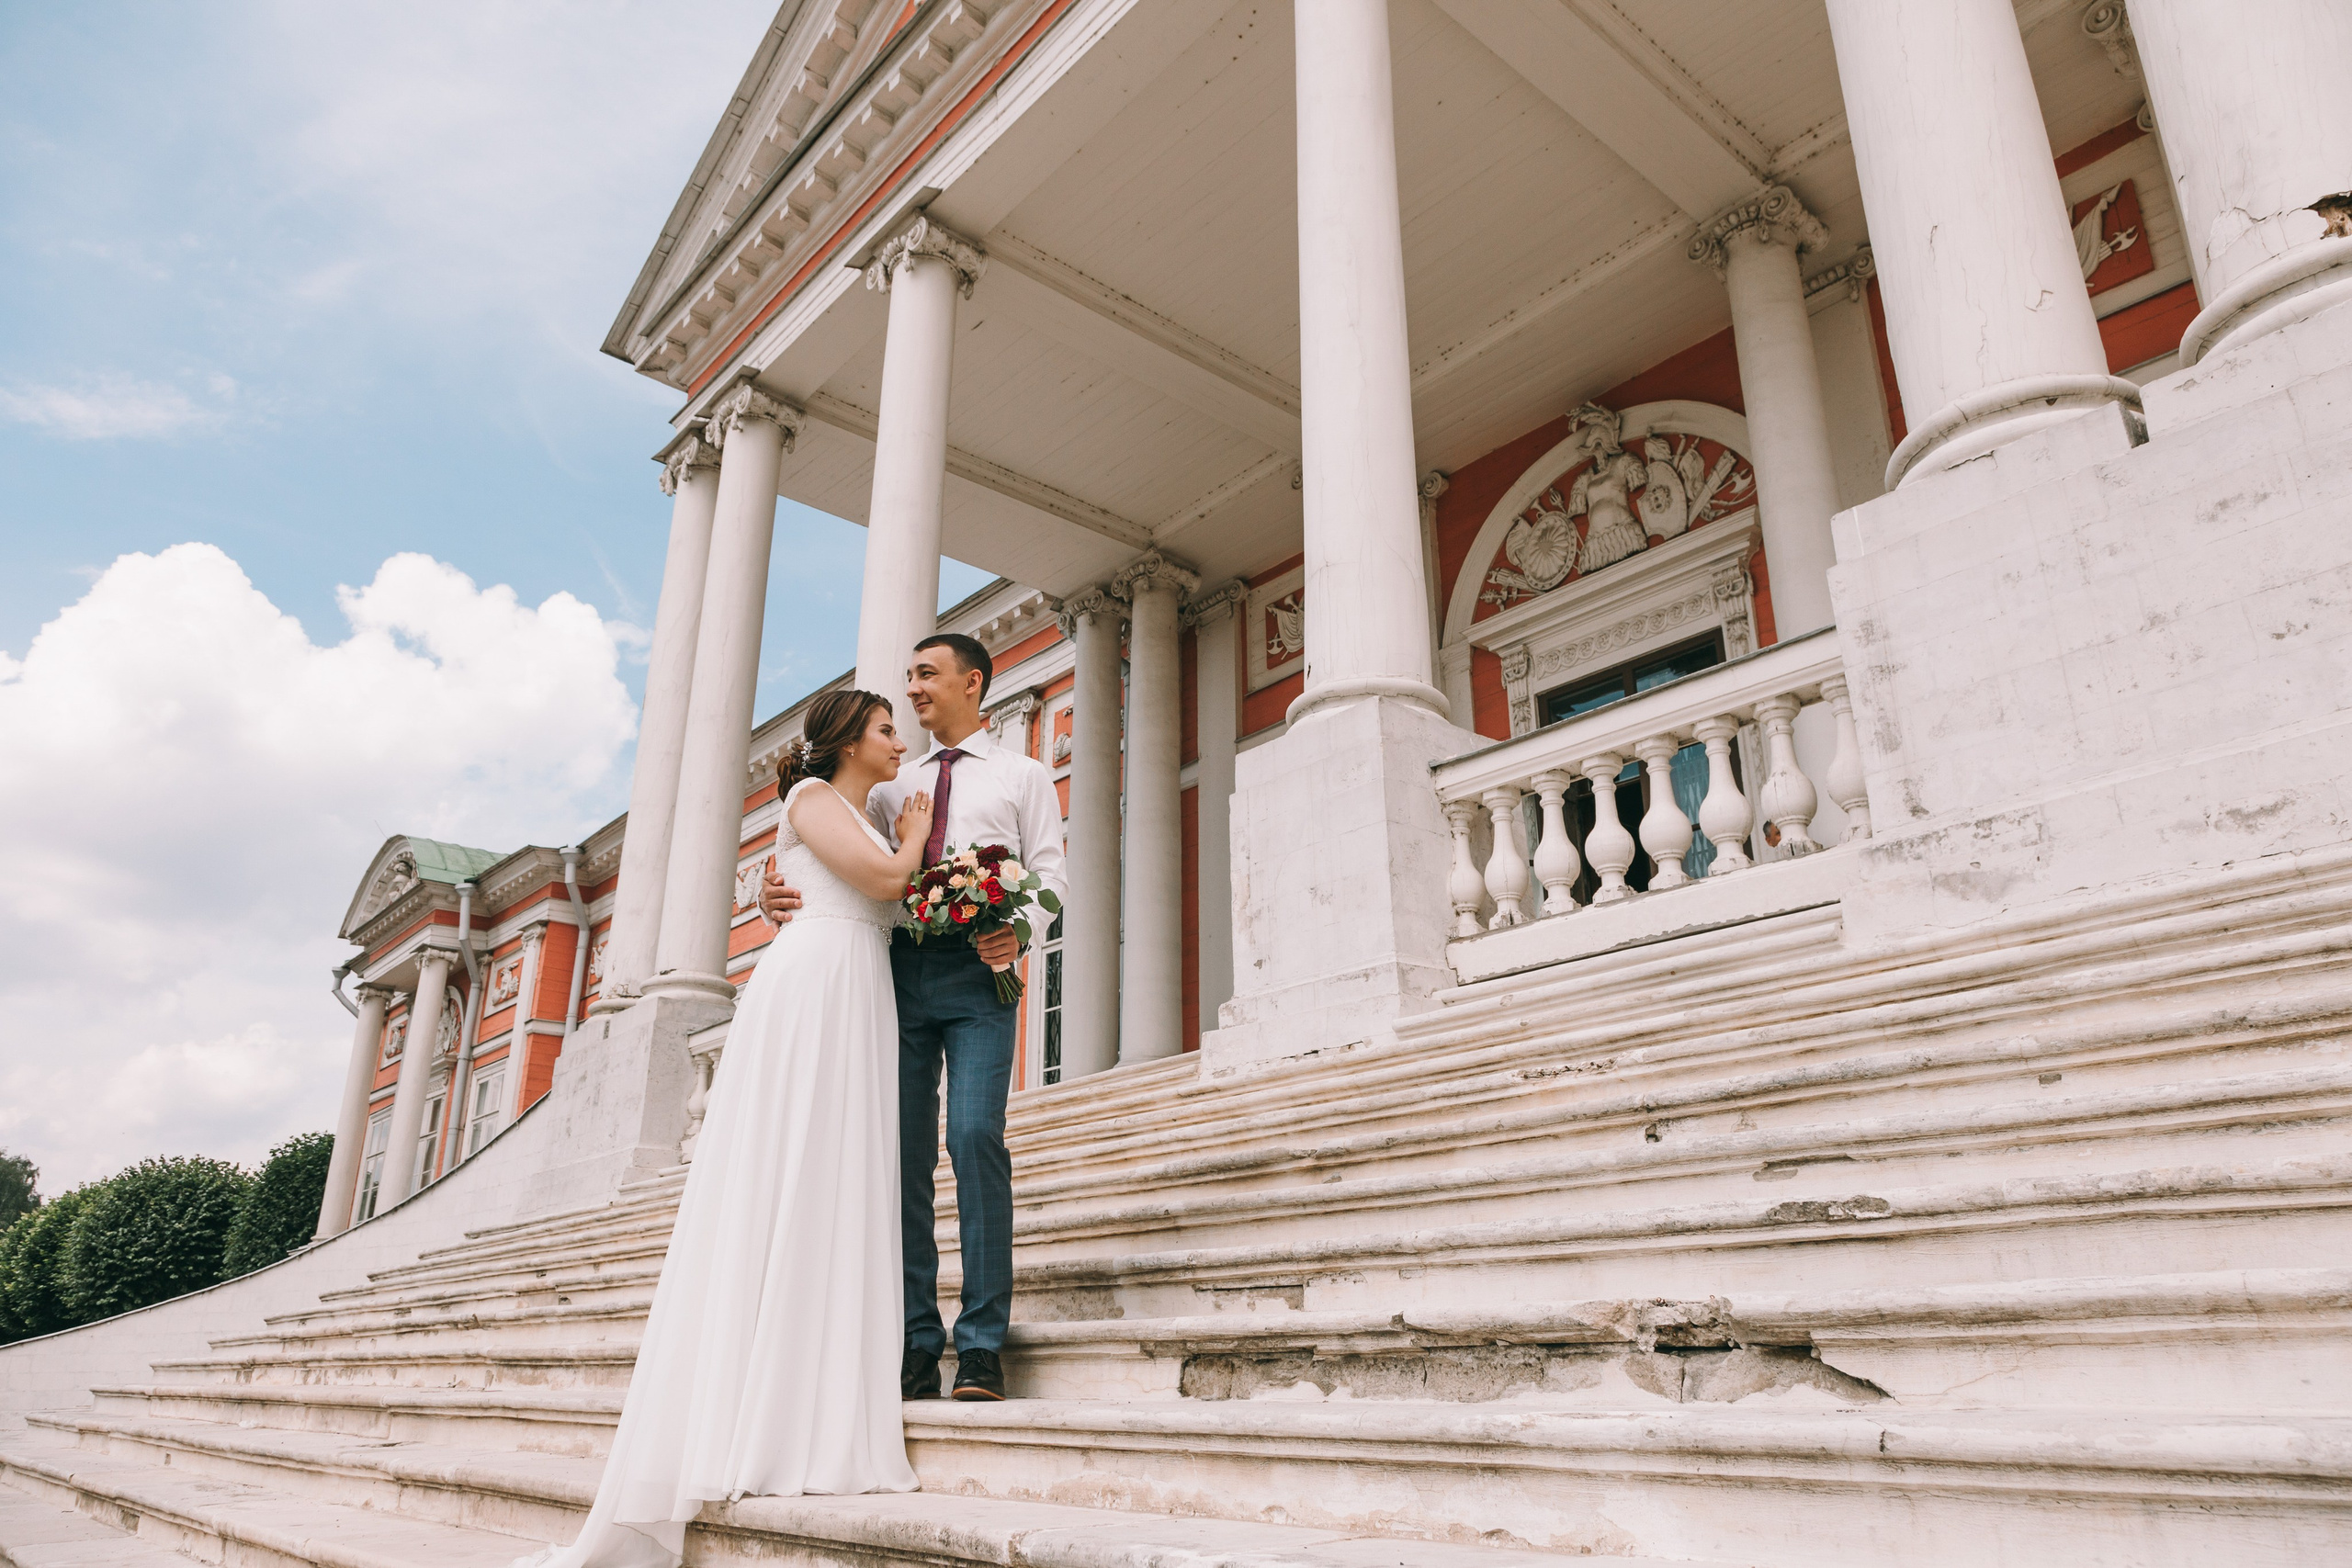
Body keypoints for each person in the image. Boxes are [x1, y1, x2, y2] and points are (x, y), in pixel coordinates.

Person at [518, 690, 930, 1568]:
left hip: (858, 981)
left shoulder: (865, 807)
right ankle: (771, 1416)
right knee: (796, 1170)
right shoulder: (815, 800)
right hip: (816, 981)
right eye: (888, 727)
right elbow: (889, 881)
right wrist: (918, 831)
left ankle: (816, 1399)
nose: (902, 739)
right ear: (848, 738)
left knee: (839, 1178)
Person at [761, 633, 1067, 1403]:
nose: (914, 689)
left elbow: (1052, 873)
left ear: (972, 682)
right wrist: (768, 894)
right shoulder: (894, 782)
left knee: (973, 1135)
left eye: (926, 675)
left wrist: (1019, 929)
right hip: (895, 974)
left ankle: (983, 1345)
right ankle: (913, 1341)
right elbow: (828, 848)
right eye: (909, 679)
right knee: (899, 1158)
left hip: (980, 975)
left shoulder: (1024, 775)